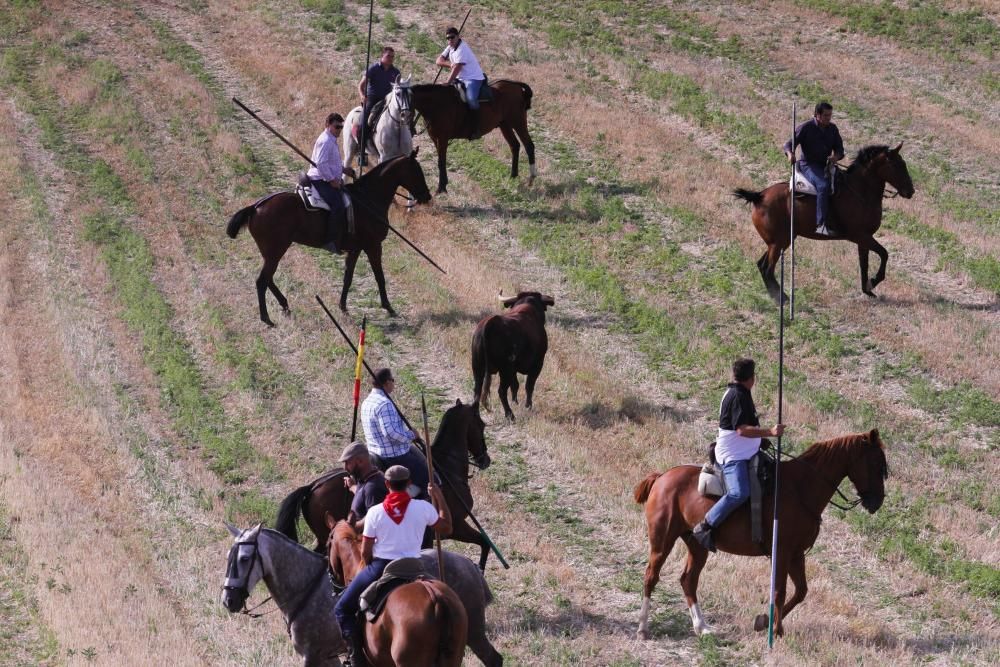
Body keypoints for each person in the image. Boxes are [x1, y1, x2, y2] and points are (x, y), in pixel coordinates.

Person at [334, 465, 452, 667]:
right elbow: (447, 527)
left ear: (386, 484)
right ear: (408, 483)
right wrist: (439, 496)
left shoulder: (375, 512)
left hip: (382, 567)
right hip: (416, 567)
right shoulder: (423, 507)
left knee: (342, 608)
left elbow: (365, 551)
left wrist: (368, 561)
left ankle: (356, 660)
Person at [692, 358, 784, 553]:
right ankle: (706, 525)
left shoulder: (740, 392)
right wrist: (769, 432)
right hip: (733, 456)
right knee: (738, 493)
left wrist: (759, 440)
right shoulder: (737, 396)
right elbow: (741, 430)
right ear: (751, 378)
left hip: (746, 451)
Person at [359, 368, 430, 495]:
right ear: (386, 383)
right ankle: (421, 503)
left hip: (374, 453)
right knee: (429, 478)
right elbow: (391, 434)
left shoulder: (366, 401)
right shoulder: (384, 404)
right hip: (392, 455)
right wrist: (411, 435)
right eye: (392, 380)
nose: (393, 383)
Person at [783, 101, 845, 237]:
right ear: (817, 115)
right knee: (823, 186)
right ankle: (821, 224)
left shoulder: (833, 129)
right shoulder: (806, 127)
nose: (829, 118)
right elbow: (788, 144)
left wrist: (836, 157)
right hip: (808, 165)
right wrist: (790, 154)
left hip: (826, 165)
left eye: (830, 115)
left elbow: (840, 149)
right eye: (826, 116)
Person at [305, 112, 355, 254]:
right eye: (336, 126)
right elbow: (321, 164)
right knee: (338, 205)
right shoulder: (326, 141)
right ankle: (330, 241)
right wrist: (331, 180)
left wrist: (344, 170)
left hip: (326, 178)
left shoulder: (331, 138)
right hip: (320, 180)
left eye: (341, 127)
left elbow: (330, 162)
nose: (339, 129)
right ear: (328, 125)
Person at [435, 26, 486, 135]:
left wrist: (448, 82)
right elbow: (438, 61)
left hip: (473, 78)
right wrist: (450, 64)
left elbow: (457, 69)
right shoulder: (450, 47)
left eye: (452, 37)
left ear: (458, 36)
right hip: (460, 78)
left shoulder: (462, 49)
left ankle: (477, 126)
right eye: (447, 38)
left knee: (471, 99)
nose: (450, 40)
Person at [356, 46, 400, 165]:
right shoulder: (374, 68)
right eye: (388, 56)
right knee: (363, 122)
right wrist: (362, 95)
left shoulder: (396, 72)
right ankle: (361, 151)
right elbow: (361, 85)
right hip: (373, 99)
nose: (390, 58)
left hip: (387, 100)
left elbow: (398, 88)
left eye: (392, 56)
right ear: (382, 56)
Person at [339, 441, 388, 532]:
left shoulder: (373, 487)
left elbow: (373, 519)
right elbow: (363, 495)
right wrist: (353, 487)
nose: (345, 468)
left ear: (360, 461)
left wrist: (350, 528)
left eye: (347, 463)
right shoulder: (366, 478)